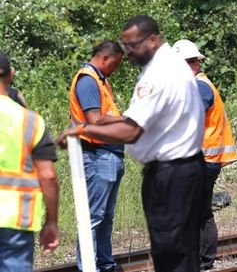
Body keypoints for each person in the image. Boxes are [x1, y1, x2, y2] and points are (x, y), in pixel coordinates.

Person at [57, 15, 205, 272]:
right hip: (182, 170)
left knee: (171, 253)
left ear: (152, 39)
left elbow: (130, 131)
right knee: (182, 250)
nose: (128, 53)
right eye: (125, 47)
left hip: (170, 173)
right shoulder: (172, 65)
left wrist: (81, 130)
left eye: (132, 46)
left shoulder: (159, 73)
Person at [171, 39, 237, 270]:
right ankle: (203, 261)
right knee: (201, 212)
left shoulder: (199, 87)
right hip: (204, 161)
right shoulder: (199, 84)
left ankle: (197, 261)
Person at [0, 50, 59, 271]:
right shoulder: (30, 121)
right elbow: (47, 174)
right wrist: (51, 221)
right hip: (16, 221)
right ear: (11, 75)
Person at [68, 41, 125, 272]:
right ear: (104, 58)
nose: (116, 68)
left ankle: (104, 263)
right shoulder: (88, 81)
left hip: (109, 154)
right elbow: (94, 120)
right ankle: (89, 267)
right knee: (93, 217)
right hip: (99, 156)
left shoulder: (99, 80)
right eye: (116, 63)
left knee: (106, 217)